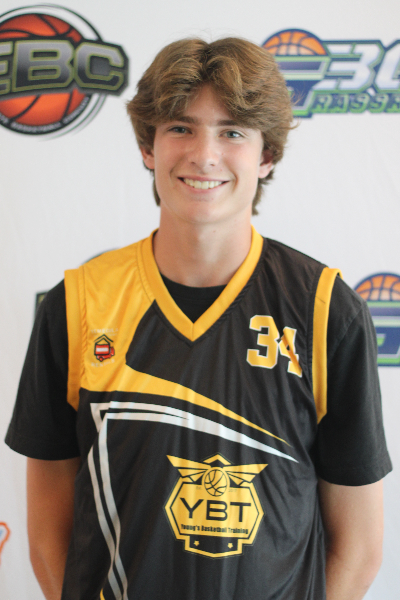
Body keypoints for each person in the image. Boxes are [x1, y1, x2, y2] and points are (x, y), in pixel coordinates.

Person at [5, 37, 392, 600]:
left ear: (266, 155)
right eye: (181, 128)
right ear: (148, 147)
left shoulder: (326, 309)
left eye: (232, 132)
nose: (204, 154)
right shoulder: (79, 302)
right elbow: (47, 531)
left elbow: (358, 548)